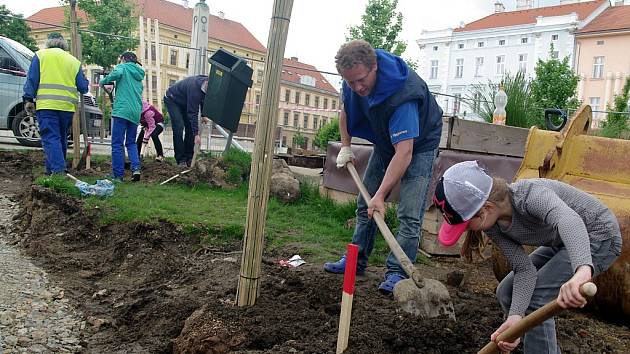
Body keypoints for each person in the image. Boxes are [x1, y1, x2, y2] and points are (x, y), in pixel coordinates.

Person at [433, 160, 622, 353]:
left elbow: (569, 220)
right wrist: (516, 316)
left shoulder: (530, 196)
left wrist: (581, 272)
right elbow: (524, 270)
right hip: (561, 242)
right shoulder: (493, 224)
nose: (466, 231)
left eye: (465, 225)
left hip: (599, 235)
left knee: (536, 297)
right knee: (506, 291)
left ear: (486, 209)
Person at [323, 39, 444, 294]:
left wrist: (380, 196)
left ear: (374, 66)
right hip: (385, 138)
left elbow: (405, 152)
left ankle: (398, 271)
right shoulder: (353, 82)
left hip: (419, 144)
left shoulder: (402, 95)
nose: (357, 87)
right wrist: (346, 146)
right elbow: (345, 110)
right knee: (363, 204)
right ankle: (356, 261)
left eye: (361, 80)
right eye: (350, 82)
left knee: (409, 214)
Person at [22, 32, 89, 174]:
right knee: (61, 138)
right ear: (63, 43)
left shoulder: (40, 56)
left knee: (50, 137)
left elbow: (32, 80)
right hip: (67, 108)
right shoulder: (73, 61)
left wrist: (28, 98)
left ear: (48, 42)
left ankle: (58, 172)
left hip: (47, 105)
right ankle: (50, 171)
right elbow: (83, 87)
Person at [100, 51, 145, 181]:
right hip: (135, 111)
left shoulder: (122, 67)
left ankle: (118, 175)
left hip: (122, 111)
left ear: (124, 59)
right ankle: (136, 169)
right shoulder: (139, 75)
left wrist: (104, 81)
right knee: (131, 142)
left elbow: (116, 74)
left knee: (117, 143)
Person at [163, 75, 208, 167]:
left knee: (190, 128)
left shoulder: (207, 86)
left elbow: (204, 100)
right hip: (172, 99)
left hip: (184, 101)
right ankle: (181, 159)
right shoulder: (195, 88)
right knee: (179, 127)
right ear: (207, 83)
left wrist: (203, 115)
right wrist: (196, 135)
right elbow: (193, 113)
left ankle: (189, 157)